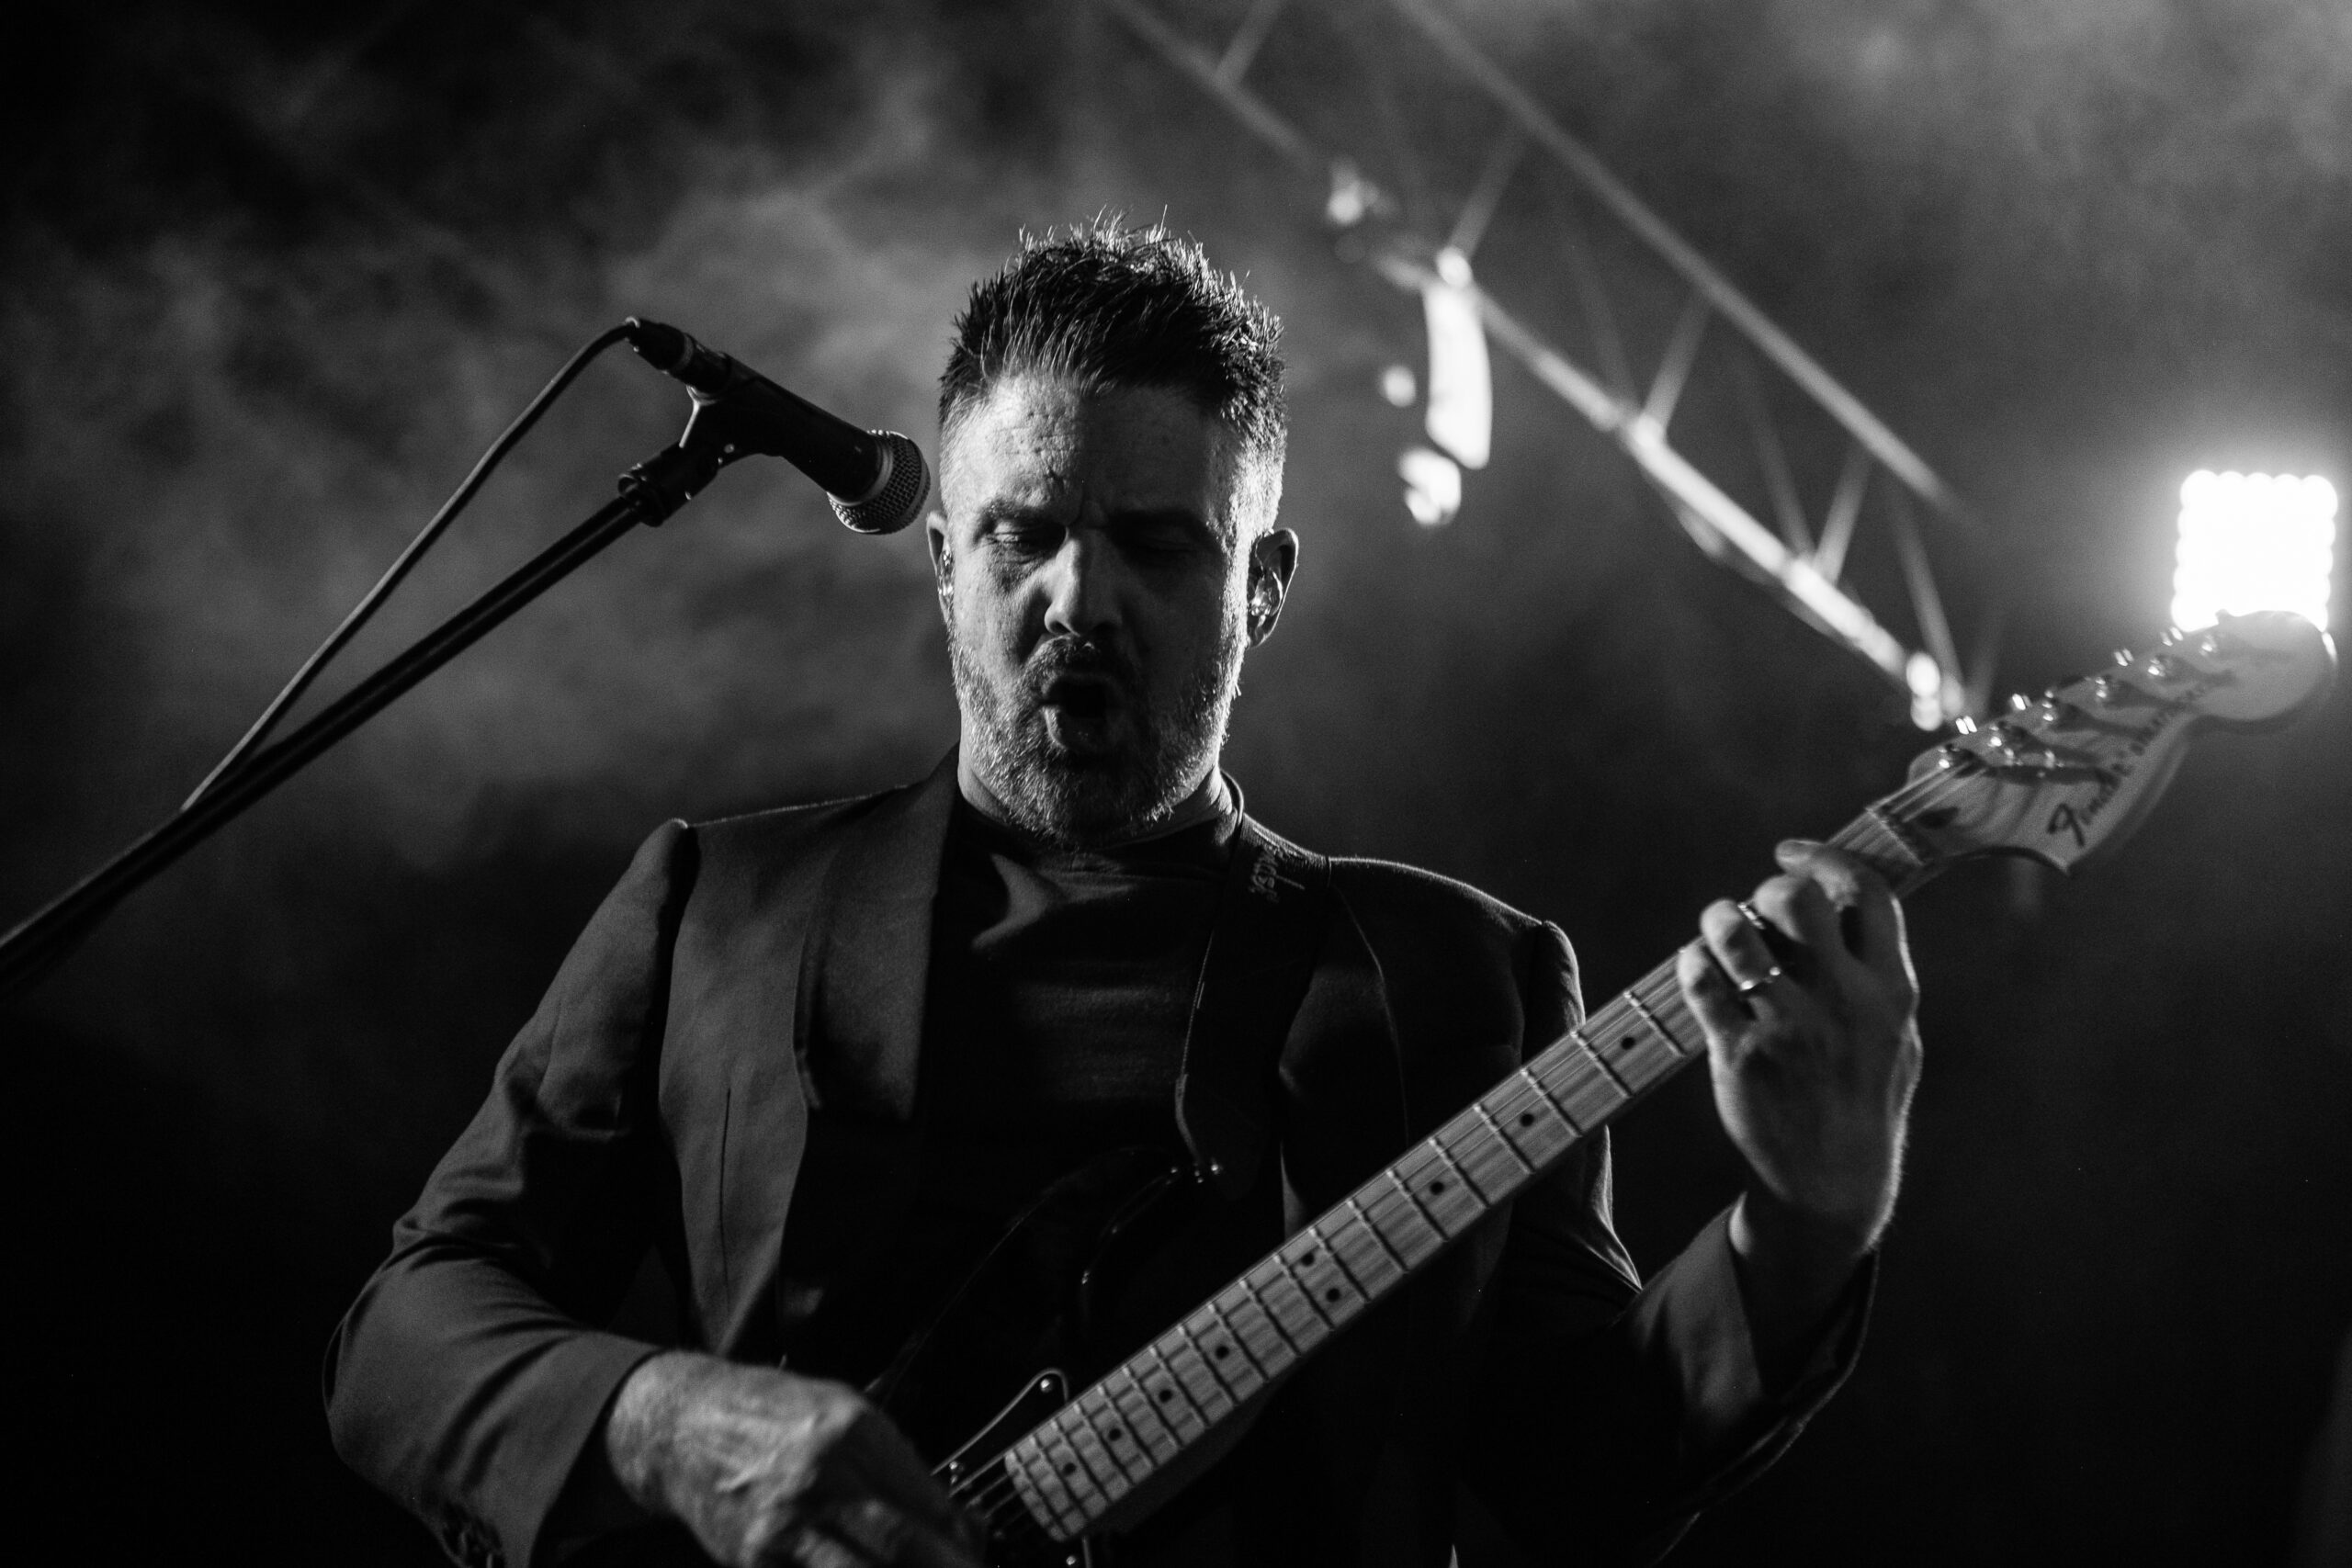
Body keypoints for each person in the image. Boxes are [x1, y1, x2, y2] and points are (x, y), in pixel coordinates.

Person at [326, 221, 1921, 1568]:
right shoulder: (716, 905)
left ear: (1261, 589)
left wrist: (1808, 1221)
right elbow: (404, 1335)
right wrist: (665, 1422)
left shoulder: (1458, 974)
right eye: (1022, 534)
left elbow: (1584, 1476)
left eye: (1158, 546)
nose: (1079, 596)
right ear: (940, 558)